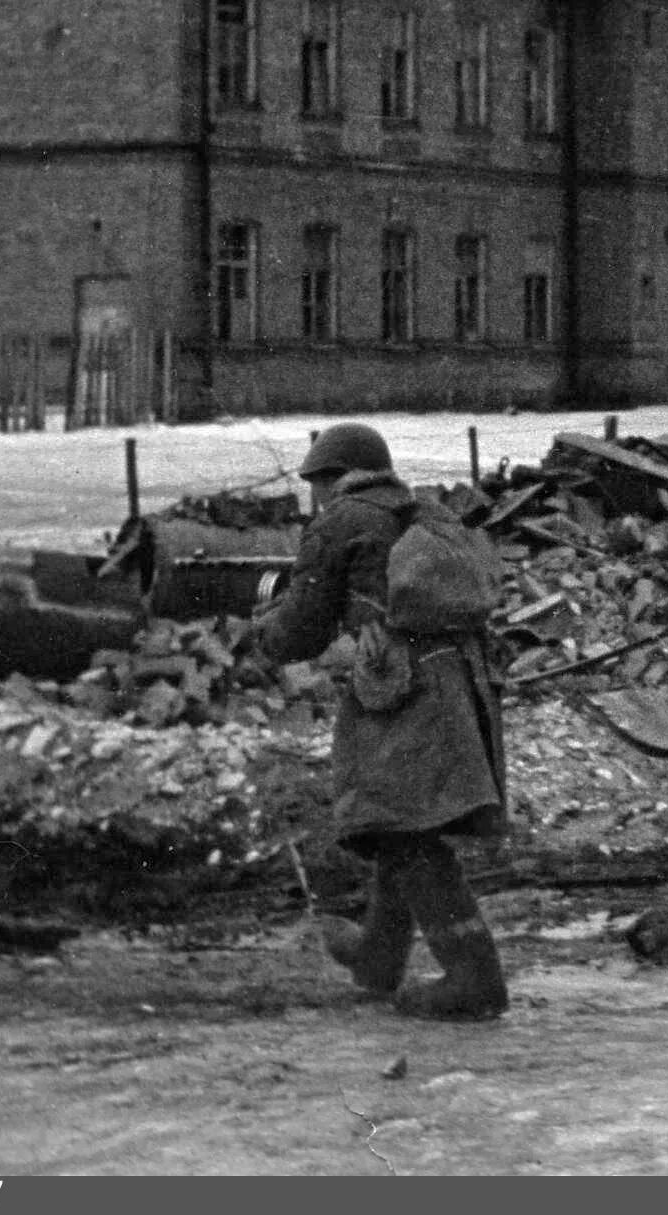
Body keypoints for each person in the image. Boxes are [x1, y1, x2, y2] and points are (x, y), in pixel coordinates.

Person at [251, 423, 510, 1020]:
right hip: (454, 678)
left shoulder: (342, 520)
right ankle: (377, 956)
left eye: (316, 484)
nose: (316, 497)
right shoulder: (415, 511)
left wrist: (262, 630)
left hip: (401, 688)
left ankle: (474, 978)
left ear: (331, 479)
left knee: (407, 828)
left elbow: (300, 629)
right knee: (400, 817)